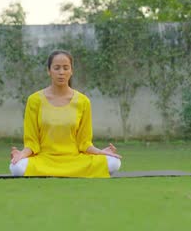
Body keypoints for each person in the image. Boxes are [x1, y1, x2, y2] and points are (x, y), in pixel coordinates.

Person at [9, 49, 122, 178]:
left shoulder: (83, 101)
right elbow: (32, 143)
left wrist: (101, 152)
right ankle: (62, 172)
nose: (61, 72)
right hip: (44, 160)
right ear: (49, 71)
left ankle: (56, 173)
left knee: (114, 163)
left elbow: (84, 143)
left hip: (74, 160)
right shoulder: (34, 100)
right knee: (16, 167)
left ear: (71, 71)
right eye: (56, 68)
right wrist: (21, 155)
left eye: (65, 68)